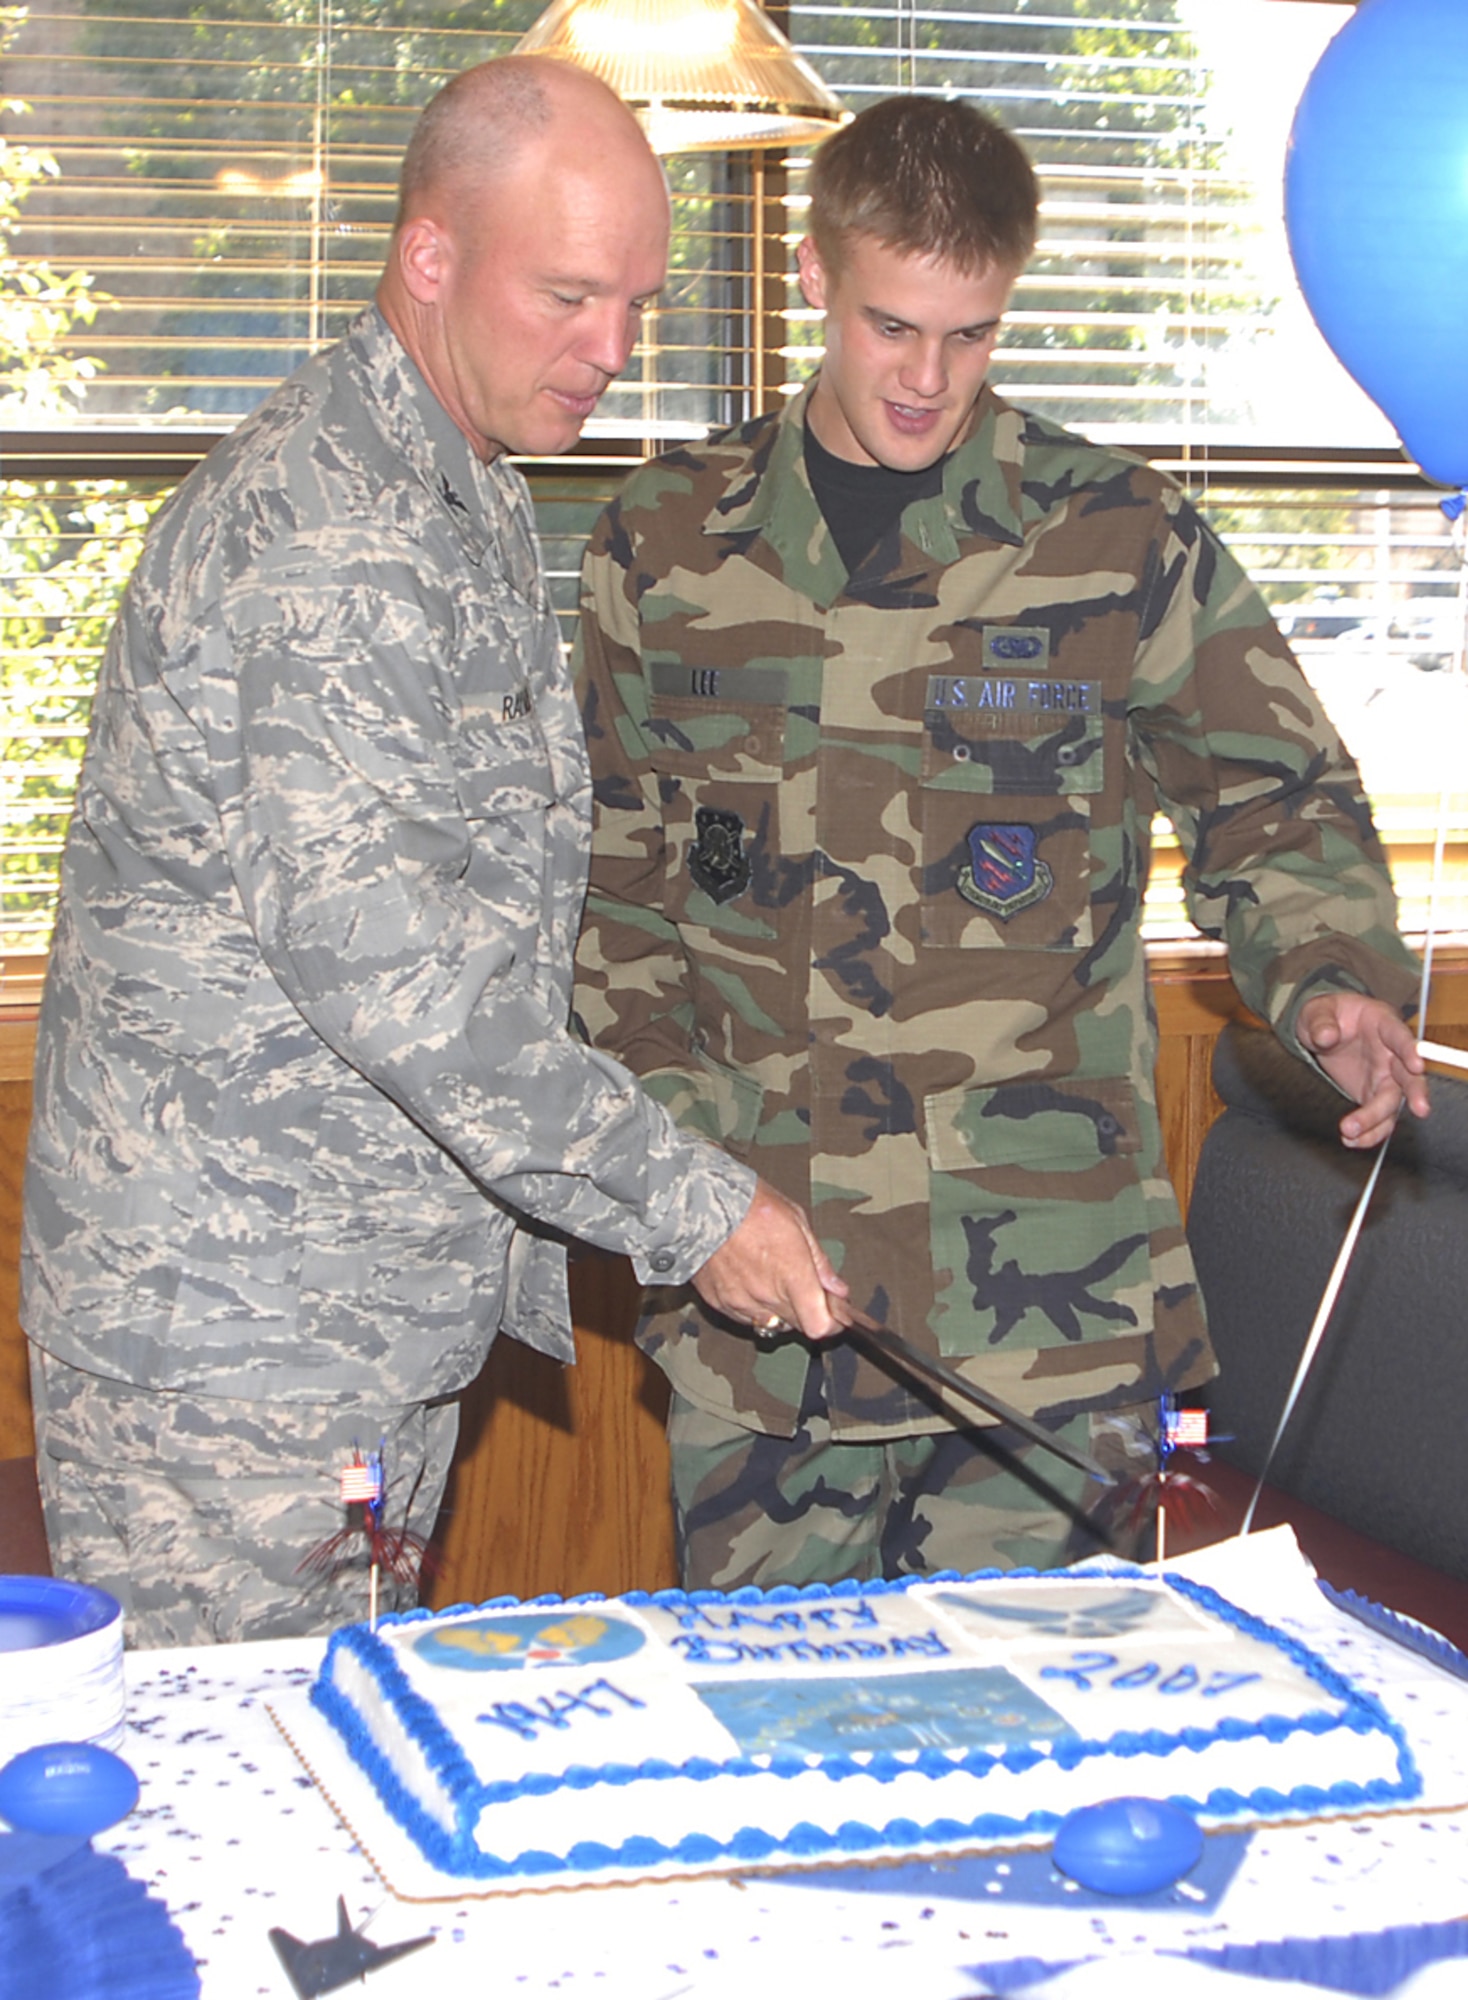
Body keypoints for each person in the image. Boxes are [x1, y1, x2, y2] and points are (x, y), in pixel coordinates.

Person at [20, 55, 844, 1648]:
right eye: (568, 297)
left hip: (348, 1317)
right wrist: (697, 1208)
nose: (610, 350)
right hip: (232, 1352)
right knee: (238, 1836)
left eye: (638, 304)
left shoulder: (449, 477)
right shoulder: (337, 535)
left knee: (343, 1805)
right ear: (430, 258)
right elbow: (413, 986)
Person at [571, 94, 1429, 1592]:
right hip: (768, 1305)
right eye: (895, 328)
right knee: (779, 1768)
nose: (928, 380)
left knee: (1048, 1773)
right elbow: (610, 892)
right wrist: (680, 1174)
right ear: (811, 279)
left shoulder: (1117, 539)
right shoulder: (666, 538)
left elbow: (1274, 797)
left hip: (1044, 1315)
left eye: (972, 337)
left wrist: (1334, 980)